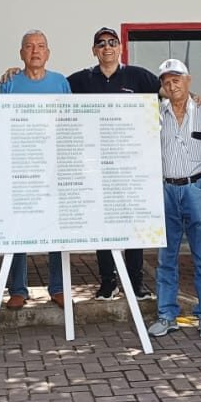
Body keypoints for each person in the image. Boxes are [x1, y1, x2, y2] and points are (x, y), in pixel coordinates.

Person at [67, 27, 161, 301]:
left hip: (131, 166)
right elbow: (51, 89)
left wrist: (194, 99)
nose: (107, 47)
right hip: (97, 166)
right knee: (103, 225)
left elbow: (169, 92)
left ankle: (135, 282)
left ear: (120, 48)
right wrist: (17, 73)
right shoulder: (81, 80)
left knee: (133, 225)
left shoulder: (138, 76)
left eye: (112, 42)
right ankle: (108, 282)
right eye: (101, 43)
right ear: (94, 50)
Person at [146, 58, 201, 341]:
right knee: (166, 258)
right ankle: (167, 315)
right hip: (166, 189)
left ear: (188, 81)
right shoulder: (154, 114)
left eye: (177, 79)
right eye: (166, 81)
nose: (172, 84)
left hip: (197, 188)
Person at [0, 30, 70, 310]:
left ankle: (58, 286)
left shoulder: (60, 82)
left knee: (56, 227)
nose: (35, 51)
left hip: (53, 168)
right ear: (21, 53)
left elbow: (69, 121)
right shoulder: (10, 83)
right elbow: (0, 122)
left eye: (40, 46)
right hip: (20, 166)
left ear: (48, 53)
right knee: (18, 227)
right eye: (29, 46)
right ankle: (18, 289)